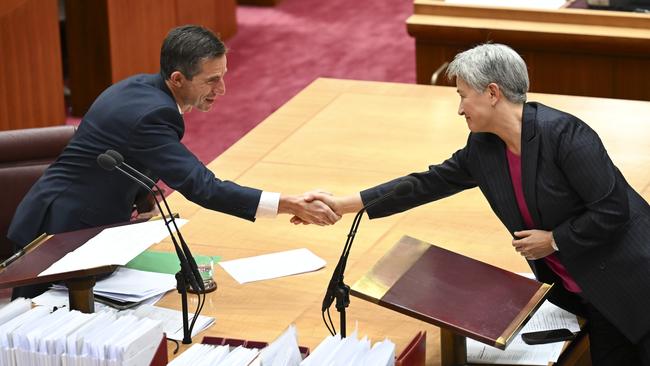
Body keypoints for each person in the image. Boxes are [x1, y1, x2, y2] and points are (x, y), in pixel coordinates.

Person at [299, 44, 650, 365]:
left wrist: (553, 240)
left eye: (463, 96)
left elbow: (612, 210)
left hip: (634, 282)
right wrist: (344, 204)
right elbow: (427, 182)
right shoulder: (483, 148)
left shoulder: (566, 136)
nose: (459, 108)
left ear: (492, 93)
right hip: (590, 295)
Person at [8, 25, 339, 298]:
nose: (222, 89)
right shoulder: (153, 115)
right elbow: (203, 188)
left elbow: (119, 154)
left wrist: (144, 196)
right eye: (211, 80)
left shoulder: (139, 87)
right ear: (178, 78)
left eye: (222, 76)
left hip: (72, 222)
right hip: (62, 239)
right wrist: (288, 204)